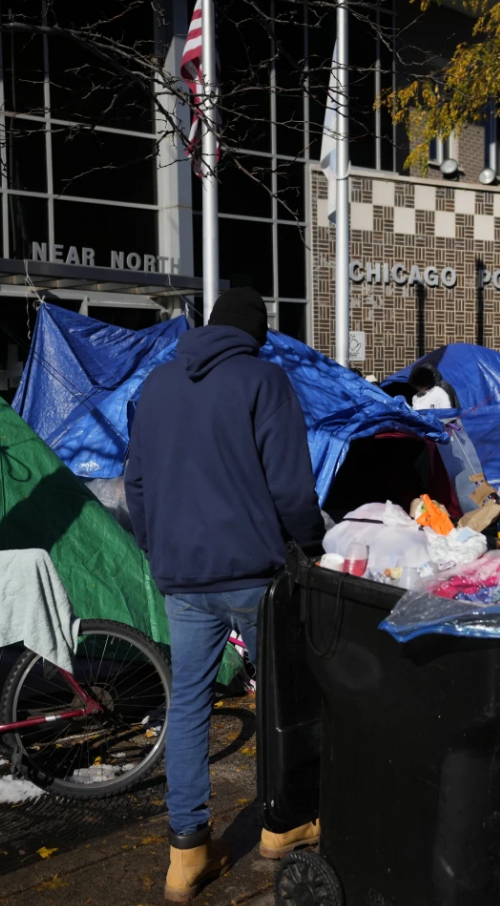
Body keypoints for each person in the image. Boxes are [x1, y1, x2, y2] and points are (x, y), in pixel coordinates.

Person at [125, 287, 325, 902]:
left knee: (187, 705)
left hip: (182, 577)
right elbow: (291, 486)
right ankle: (283, 824)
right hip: (254, 575)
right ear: (257, 335)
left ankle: (186, 855)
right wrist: (313, 543)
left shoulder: (156, 385)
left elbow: (134, 484)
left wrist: (160, 549)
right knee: (283, 700)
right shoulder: (263, 380)